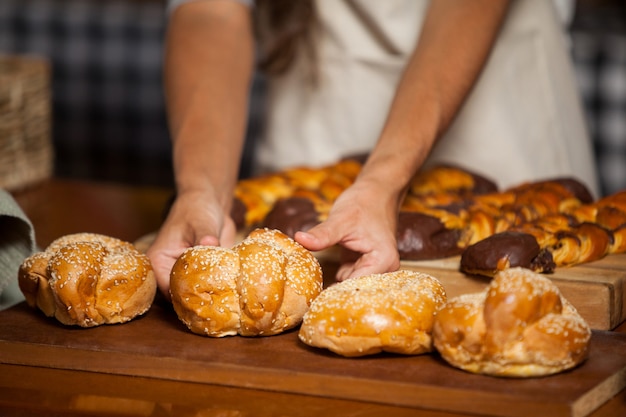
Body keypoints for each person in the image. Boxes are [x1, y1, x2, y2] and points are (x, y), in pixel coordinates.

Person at [147, 0, 599, 297]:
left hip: (498, 112)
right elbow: (211, 12)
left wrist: (384, 179)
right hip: (320, 96)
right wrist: (200, 189)